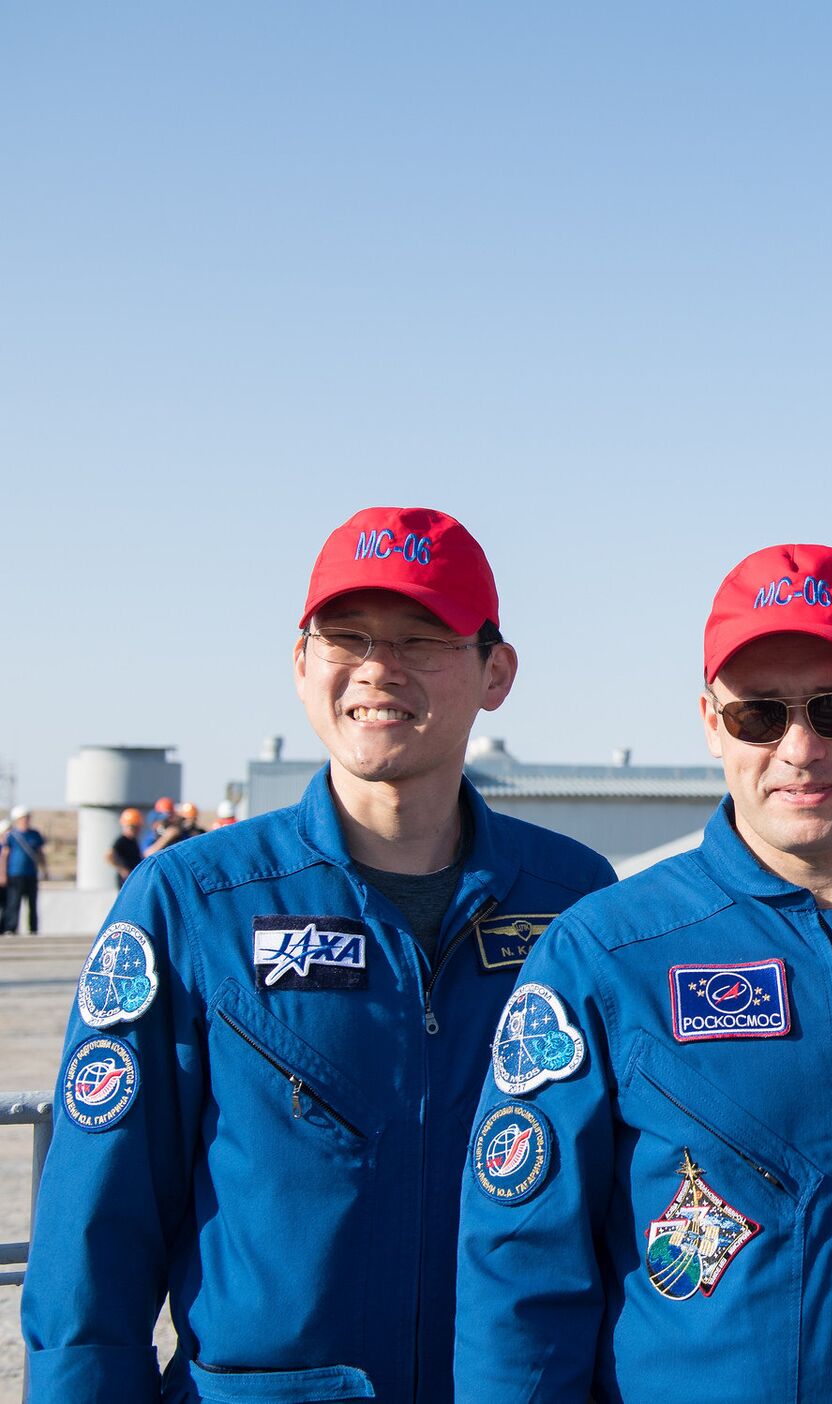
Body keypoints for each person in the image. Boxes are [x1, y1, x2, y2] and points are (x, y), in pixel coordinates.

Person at [23, 506, 617, 1403]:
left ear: (496, 672)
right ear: (302, 664)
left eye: (422, 638)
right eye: (346, 636)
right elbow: (93, 1240)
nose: (378, 668)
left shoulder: (576, 901)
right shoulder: (193, 903)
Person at [455, 544, 832, 1404]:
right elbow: (519, 1275)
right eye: (759, 717)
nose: (801, 748)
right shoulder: (607, 952)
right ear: (710, 723)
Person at [1, 807, 47, 935]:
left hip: (31, 874)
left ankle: (33, 929)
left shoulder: (35, 834)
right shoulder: (11, 835)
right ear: (17, 820)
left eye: (27, 818)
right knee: (14, 902)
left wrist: (45, 869)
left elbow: (40, 853)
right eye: (22, 818)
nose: (25, 821)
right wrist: (3, 874)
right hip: (15, 874)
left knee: (32, 903)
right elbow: (5, 855)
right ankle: (11, 927)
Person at [107, 809, 144, 888]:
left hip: (133, 876)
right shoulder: (121, 841)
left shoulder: (133, 840)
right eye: (133, 827)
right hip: (125, 879)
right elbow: (109, 856)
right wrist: (122, 869)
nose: (137, 830)